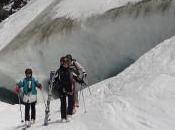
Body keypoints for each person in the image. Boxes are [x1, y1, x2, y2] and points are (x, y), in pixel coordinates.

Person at [54, 57, 74, 122]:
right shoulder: (59, 71)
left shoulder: (70, 70)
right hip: (61, 88)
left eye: (67, 63)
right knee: (63, 103)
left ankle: (69, 115)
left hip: (69, 88)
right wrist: (52, 81)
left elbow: (76, 76)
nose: (65, 64)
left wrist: (80, 79)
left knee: (70, 101)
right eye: (64, 63)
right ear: (62, 63)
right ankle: (63, 117)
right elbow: (55, 78)